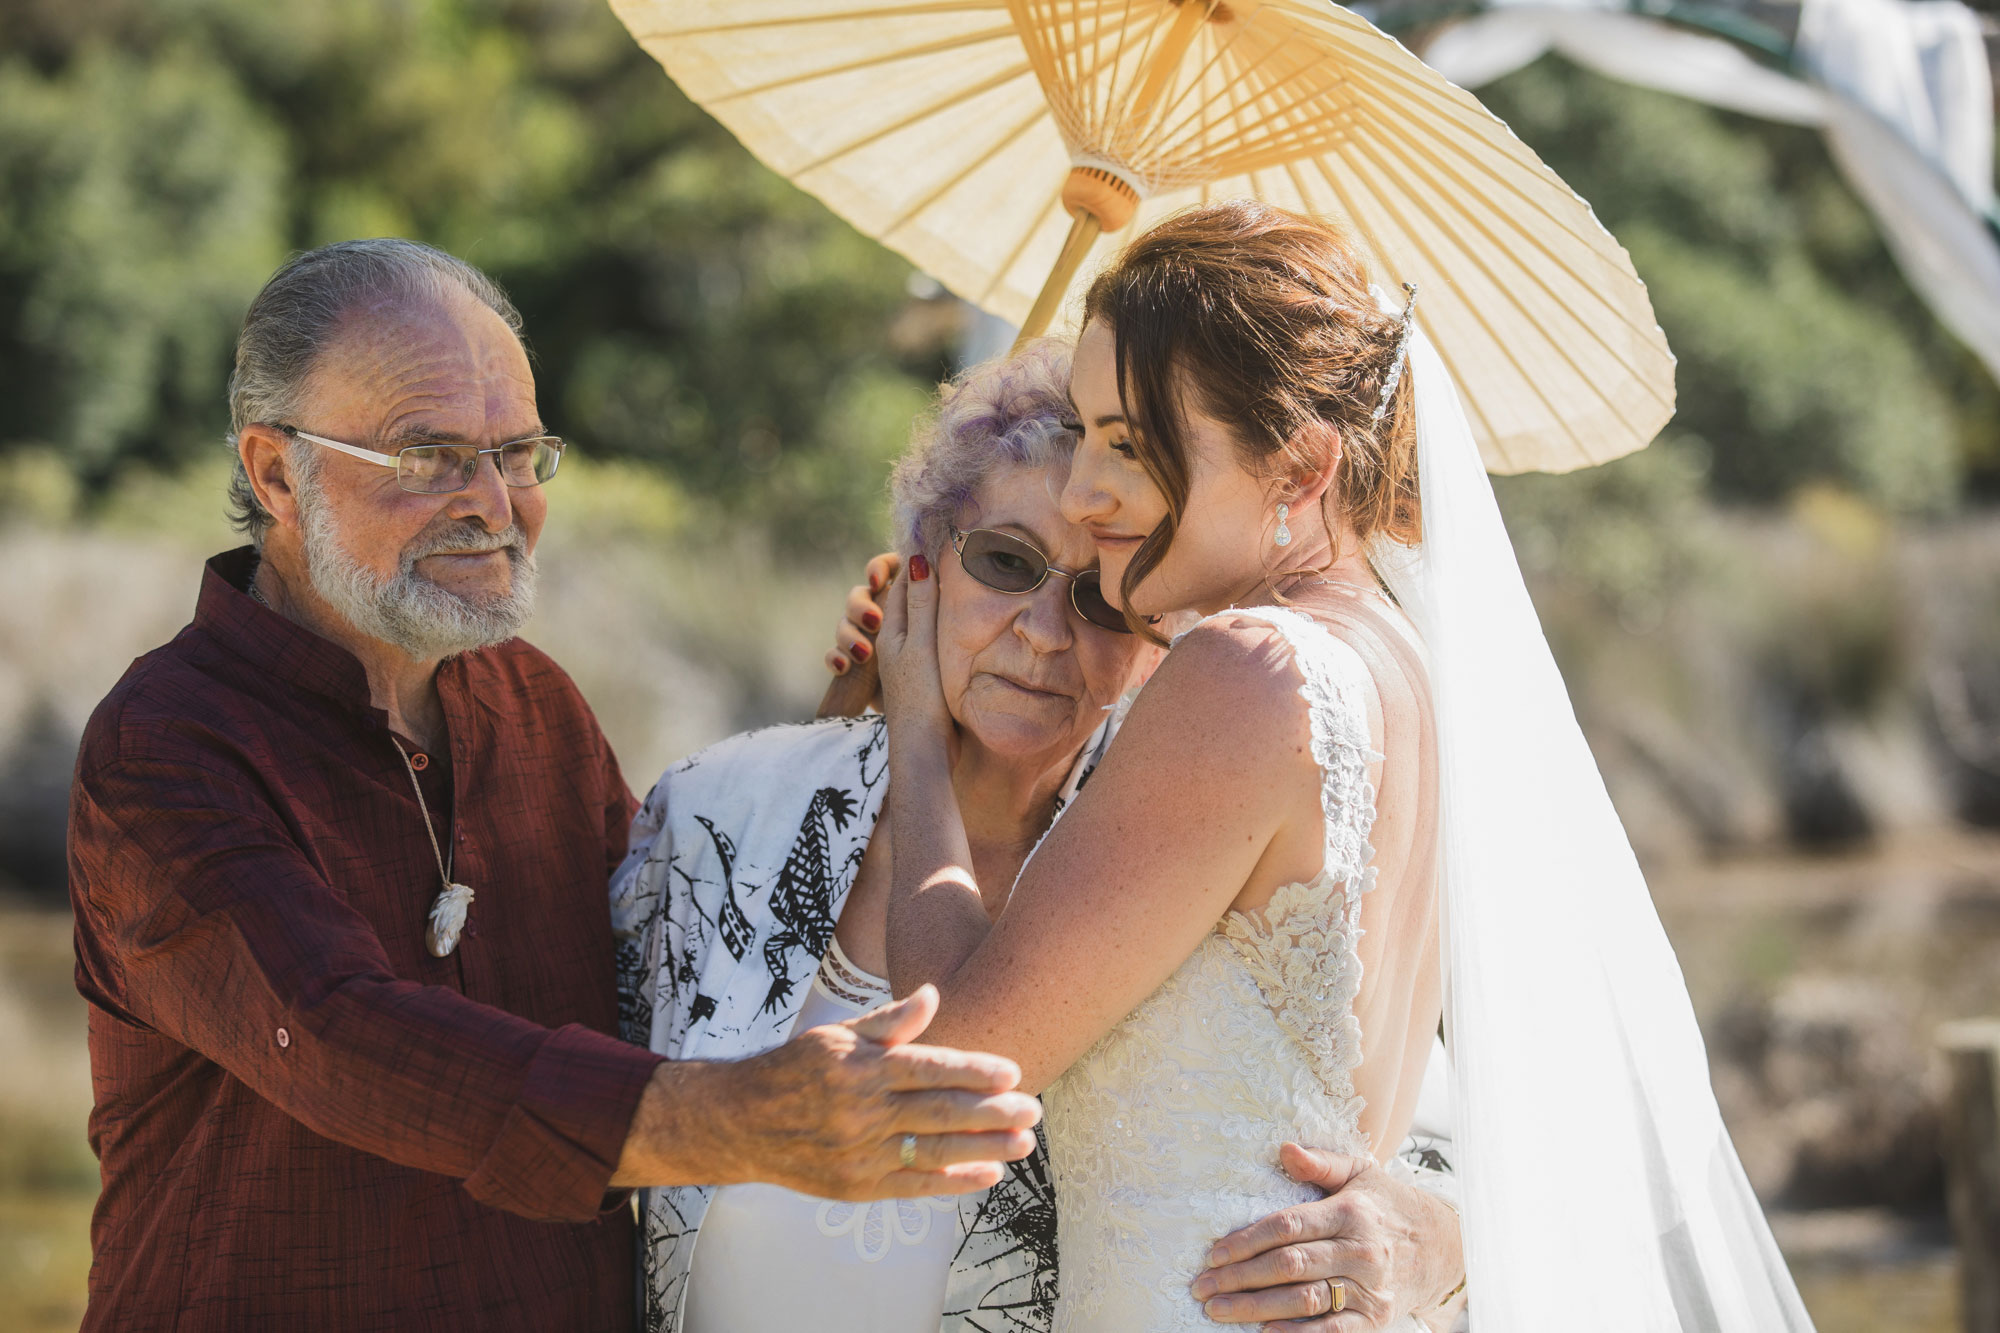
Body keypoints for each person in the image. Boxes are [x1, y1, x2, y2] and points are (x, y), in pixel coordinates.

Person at [872, 200, 1817, 1333]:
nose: (1082, 493)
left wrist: (918, 740)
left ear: (1298, 466)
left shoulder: (1244, 675)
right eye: (1082, 433)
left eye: (1129, 442)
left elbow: (949, 1063)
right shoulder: (1394, 668)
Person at [65, 238, 1039, 1332]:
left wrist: (848, 733)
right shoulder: (166, 745)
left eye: (518, 452)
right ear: (274, 471)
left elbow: (672, 957)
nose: (494, 502)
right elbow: (338, 1037)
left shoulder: (530, 702)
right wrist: (735, 1120)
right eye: (427, 454)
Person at [612, 340, 1468, 1333]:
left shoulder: (1185, 841)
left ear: (1160, 639)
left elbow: (1413, 1124)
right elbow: (575, 1121)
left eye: (1103, 598)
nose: (1044, 632)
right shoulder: (720, 811)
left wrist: (1432, 1238)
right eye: (1005, 562)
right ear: (915, 571)